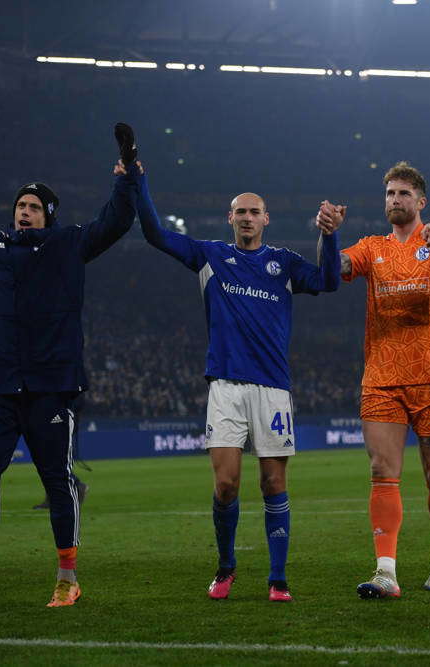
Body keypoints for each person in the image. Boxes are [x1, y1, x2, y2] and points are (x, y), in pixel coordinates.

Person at [0, 125, 142, 609]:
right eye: (21, 205)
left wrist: (126, 178)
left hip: (50, 388)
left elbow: (117, 220)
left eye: (34, 207)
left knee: (57, 483)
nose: (25, 211)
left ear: (49, 216)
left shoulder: (68, 245)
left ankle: (67, 577)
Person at [136, 170, 341, 603]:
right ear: (230, 217)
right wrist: (137, 182)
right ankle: (226, 568)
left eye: (254, 212)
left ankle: (278, 578)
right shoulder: (209, 255)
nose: (247, 218)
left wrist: (330, 236)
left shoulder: (283, 262)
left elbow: (328, 281)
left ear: (266, 218)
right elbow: (155, 233)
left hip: (272, 389)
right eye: (240, 211)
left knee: (272, 483)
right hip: (225, 387)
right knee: (226, 484)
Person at [333, 161, 430, 599]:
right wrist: (327, 232)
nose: (395, 200)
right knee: (381, 470)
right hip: (382, 377)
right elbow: (333, 267)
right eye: (390, 193)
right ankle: (386, 573)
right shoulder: (371, 248)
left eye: (403, 194)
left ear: (421, 201)